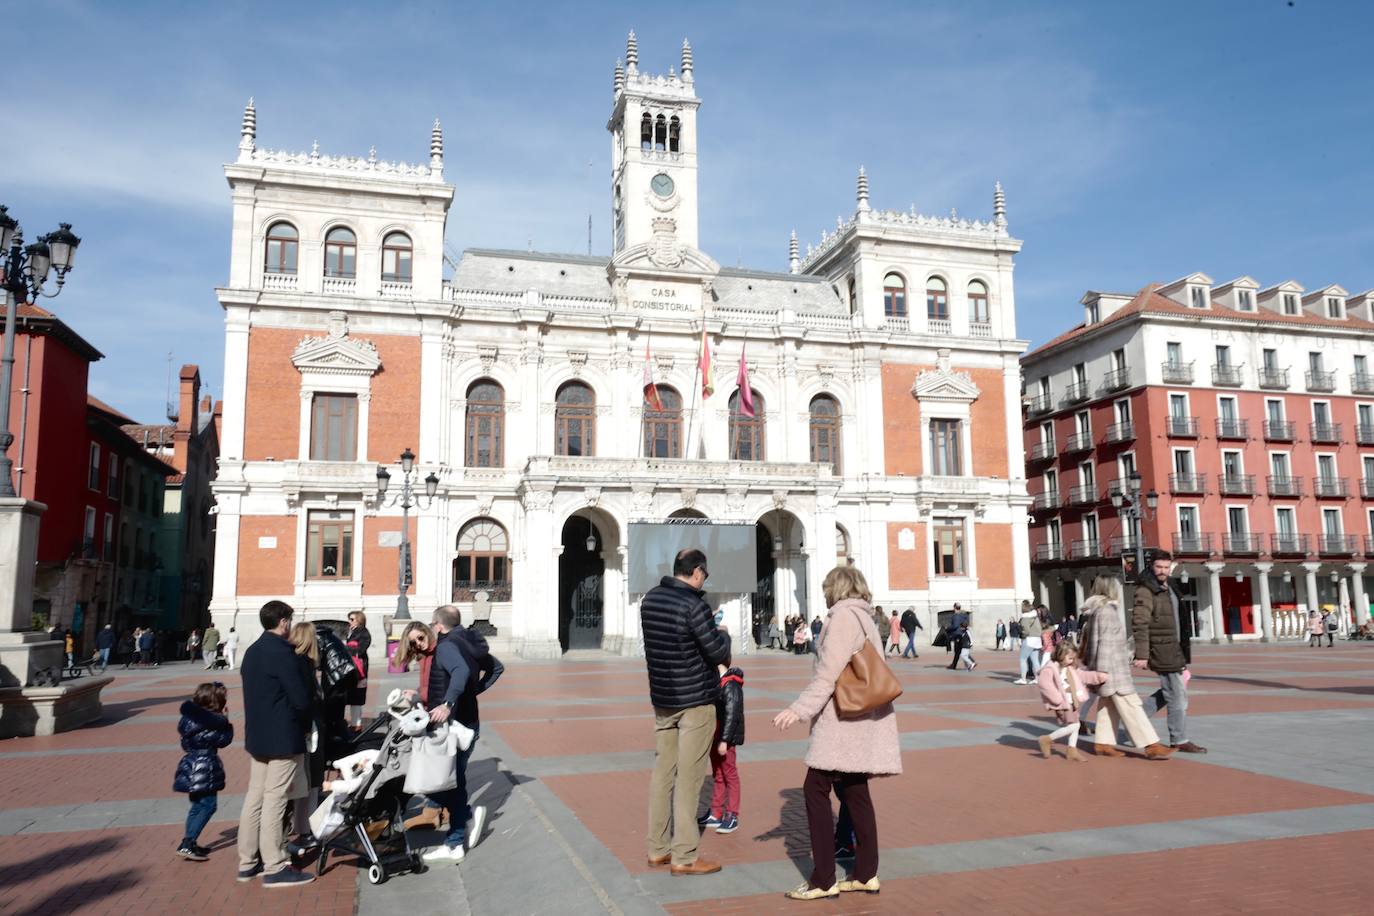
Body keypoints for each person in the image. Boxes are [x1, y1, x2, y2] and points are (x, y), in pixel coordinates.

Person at [773, 565, 900, 899]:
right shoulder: (864, 616)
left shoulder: (842, 618)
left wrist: (797, 710)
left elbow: (827, 675)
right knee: (856, 791)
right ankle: (865, 873)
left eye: (827, 586)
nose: (825, 590)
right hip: (863, 718)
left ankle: (823, 879)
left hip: (843, 722)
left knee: (814, 789)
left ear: (837, 588)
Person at [641, 548, 730, 876]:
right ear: (697, 572)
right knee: (690, 779)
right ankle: (685, 855)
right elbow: (717, 652)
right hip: (695, 701)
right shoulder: (695, 606)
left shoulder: (650, 600)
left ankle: (657, 848)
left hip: (663, 699)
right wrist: (724, 637)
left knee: (662, 774)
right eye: (704, 574)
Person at [236, 600, 315, 887]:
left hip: (257, 736)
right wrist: (306, 726)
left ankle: (247, 861)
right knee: (276, 799)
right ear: (283, 621)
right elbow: (301, 699)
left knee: (254, 797)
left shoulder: (252, 651)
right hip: (283, 736)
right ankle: (274, 865)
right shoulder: (284, 653)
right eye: (290, 621)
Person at [410, 606, 493, 864]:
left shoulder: (446, 647)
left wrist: (448, 702)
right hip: (468, 721)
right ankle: (462, 820)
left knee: (446, 782)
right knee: (448, 781)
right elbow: (496, 668)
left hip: (456, 725)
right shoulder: (468, 642)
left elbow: (460, 672)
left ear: (437, 625)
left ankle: (456, 838)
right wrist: (473, 691)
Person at [1077, 576, 1172, 760]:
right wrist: (1103, 670)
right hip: (1113, 670)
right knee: (1132, 706)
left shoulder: (1098, 610)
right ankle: (1151, 745)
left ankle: (1103, 743)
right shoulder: (1107, 612)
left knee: (1107, 706)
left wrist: (1095, 667)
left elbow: (1092, 643)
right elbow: (1105, 643)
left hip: (1107, 668)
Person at [1133, 551, 1206, 754]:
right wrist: (1141, 654)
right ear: (1151, 566)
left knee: (1171, 691)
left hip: (1175, 648)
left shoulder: (1170, 586)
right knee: (1177, 696)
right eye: (1159, 567)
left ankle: (1134, 720)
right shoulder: (1146, 590)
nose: (1163, 571)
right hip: (1161, 647)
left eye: (1166, 567)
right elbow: (1139, 622)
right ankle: (1179, 739)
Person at [173, 681, 233, 860]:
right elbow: (223, 740)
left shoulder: (188, 721)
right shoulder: (211, 723)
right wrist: (226, 723)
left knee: (196, 806)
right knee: (208, 805)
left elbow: (185, 743)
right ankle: (188, 843)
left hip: (190, 764)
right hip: (205, 766)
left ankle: (189, 840)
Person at [698, 639, 744, 835]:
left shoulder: (731, 685)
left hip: (726, 738)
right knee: (718, 774)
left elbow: (732, 715)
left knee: (730, 775)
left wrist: (725, 740)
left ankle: (732, 814)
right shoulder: (717, 682)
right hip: (714, 736)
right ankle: (716, 813)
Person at [1034, 641, 1107, 761]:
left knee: (1074, 725)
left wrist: (1099, 677)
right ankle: (1047, 739)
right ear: (1061, 655)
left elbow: (1083, 676)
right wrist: (1057, 699)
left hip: (1072, 702)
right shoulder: (1050, 668)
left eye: (1073, 658)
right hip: (1063, 703)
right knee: (1075, 725)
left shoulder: (1070, 669)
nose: (1072, 661)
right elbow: (1044, 684)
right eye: (1070, 658)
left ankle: (1071, 750)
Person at [344, 611, 372, 727]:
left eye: (352, 619)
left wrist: (345, 649)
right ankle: (354, 723)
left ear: (359, 620)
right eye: (349, 619)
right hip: (353, 668)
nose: (349, 621)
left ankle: (357, 724)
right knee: (352, 695)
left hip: (359, 669)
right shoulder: (352, 632)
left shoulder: (363, 632)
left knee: (357, 696)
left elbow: (361, 650)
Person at [1014, 603, 1043, 684]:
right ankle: (1038, 678)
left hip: (1029, 639)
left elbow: (1026, 630)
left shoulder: (1025, 617)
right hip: (1037, 639)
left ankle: (1023, 679)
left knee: (1022, 659)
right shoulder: (1035, 617)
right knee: (1035, 660)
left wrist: (1022, 634)